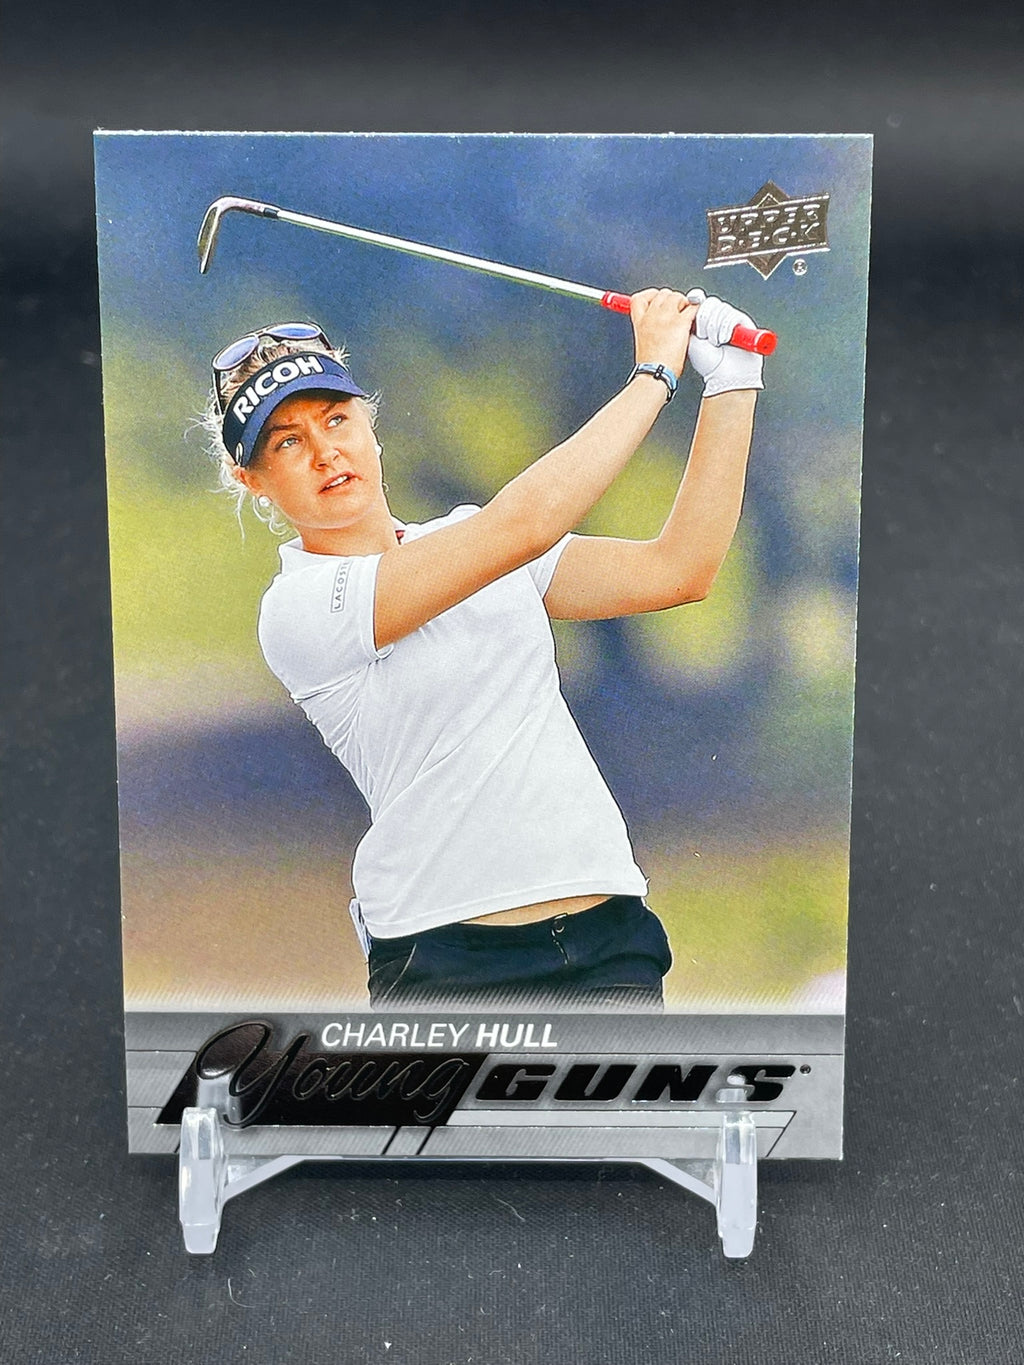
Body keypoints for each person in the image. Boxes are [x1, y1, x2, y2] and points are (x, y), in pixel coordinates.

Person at [205, 291, 765, 1010]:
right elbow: (522, 525)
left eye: (336, 418)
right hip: (448, 960)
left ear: (370, 425)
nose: (324, 451)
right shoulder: (299, 608)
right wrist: (653, 375)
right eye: (286, 442)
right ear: (251, 480)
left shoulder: (471, 537)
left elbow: (679, 569)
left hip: (607, 940)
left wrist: (732, 383)